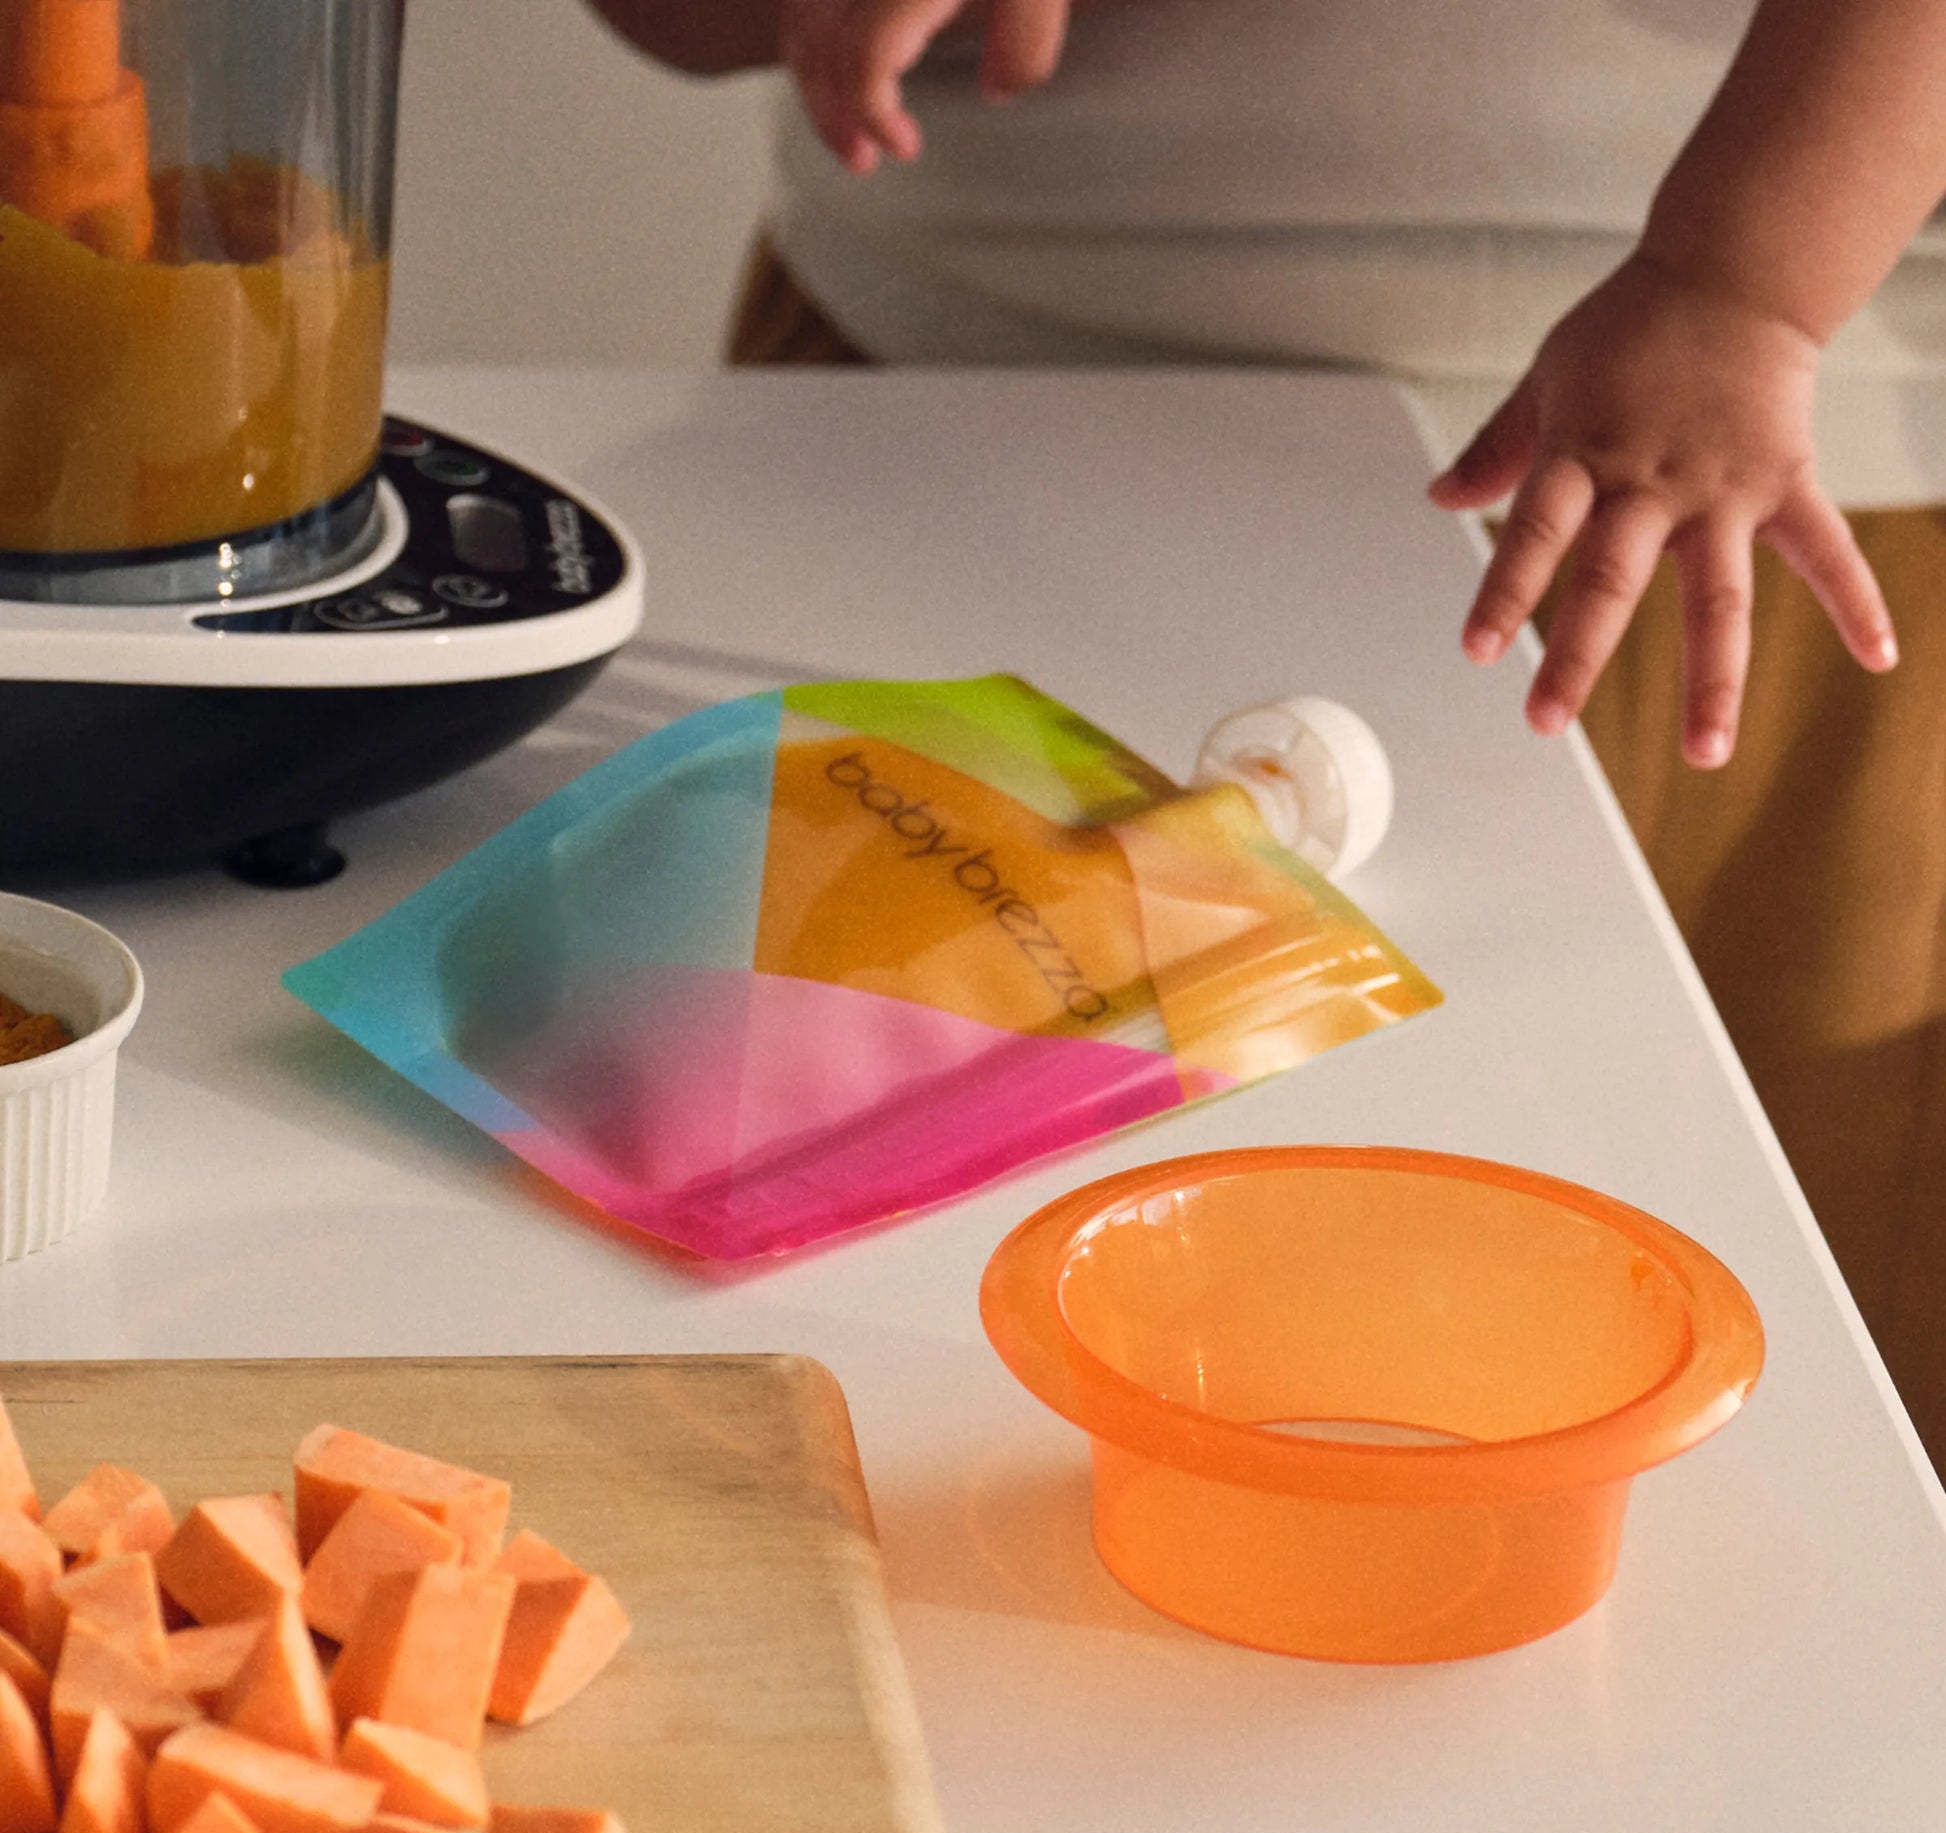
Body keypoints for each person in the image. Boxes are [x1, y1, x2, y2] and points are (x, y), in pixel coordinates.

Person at [589, 0, 1946, 1467]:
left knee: (1702, 1380)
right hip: (914, 414)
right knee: (844, 1333)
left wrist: (1741, 286)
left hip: (1720, 509)